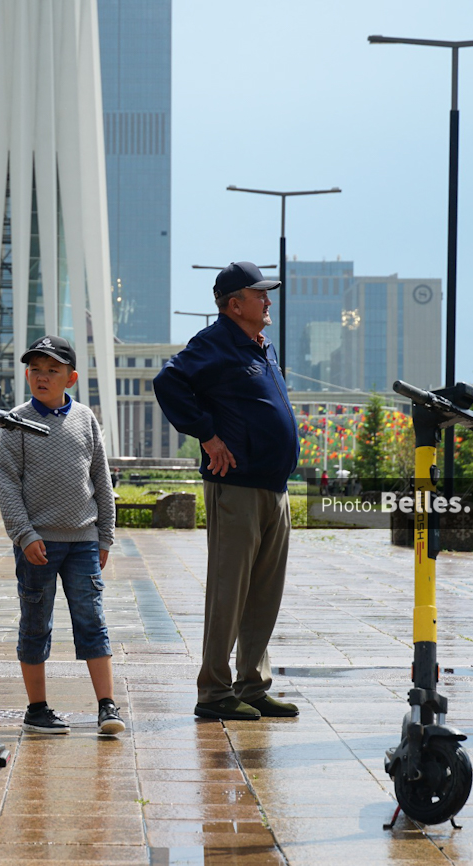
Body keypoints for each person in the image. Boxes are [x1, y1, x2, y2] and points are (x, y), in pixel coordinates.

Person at [153, 261, 300, 721]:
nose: (268, 301)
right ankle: (214, 692)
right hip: (235, 487)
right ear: (234, 304)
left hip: (274, 488)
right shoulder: (215, 342)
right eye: (260, 294)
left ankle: (252, 686)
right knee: (228, 592)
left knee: (263, 593)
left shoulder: (261, 347)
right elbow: (168, 382)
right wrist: (208, 435)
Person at [0, 334, 124, 736]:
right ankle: (37, 709)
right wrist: (23, 533)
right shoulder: (15, 422)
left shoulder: (85, 420)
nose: (42, 377)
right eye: (35, 369)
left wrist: (106, 535)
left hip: (84, 541)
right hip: (37, 544)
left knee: (92, 620)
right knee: (35, 622)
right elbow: (7, 481)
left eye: (53, 370)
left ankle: (107, 705)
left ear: (71, 378)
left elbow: (101, 479)